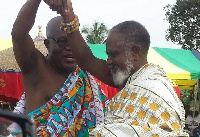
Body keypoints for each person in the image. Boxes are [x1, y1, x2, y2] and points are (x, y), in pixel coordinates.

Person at [43, 0, 189, 136]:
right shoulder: (127, 78)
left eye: (113, 54)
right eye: (108, 55)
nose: (108, 61)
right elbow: (87, 60)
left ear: (135, 52)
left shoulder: (154, 88)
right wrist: (68, 15)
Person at [8, 0, 109, 136]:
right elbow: (19, 34)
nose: (70, 48)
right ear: (47, 44)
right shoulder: (35, 67)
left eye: (73, 42)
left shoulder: (85, 78)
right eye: (62, 41)